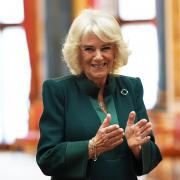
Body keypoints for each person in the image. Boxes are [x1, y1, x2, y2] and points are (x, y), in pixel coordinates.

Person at [36, 9, 162, 180]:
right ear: (77, 53)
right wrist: (91, 146)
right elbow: (47, 158)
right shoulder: (58, 90)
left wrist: (137, 148)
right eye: (89, 49)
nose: (98, 57)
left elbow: (153, 155)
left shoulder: (132, 87)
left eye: (105, 48)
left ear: (115, 51)